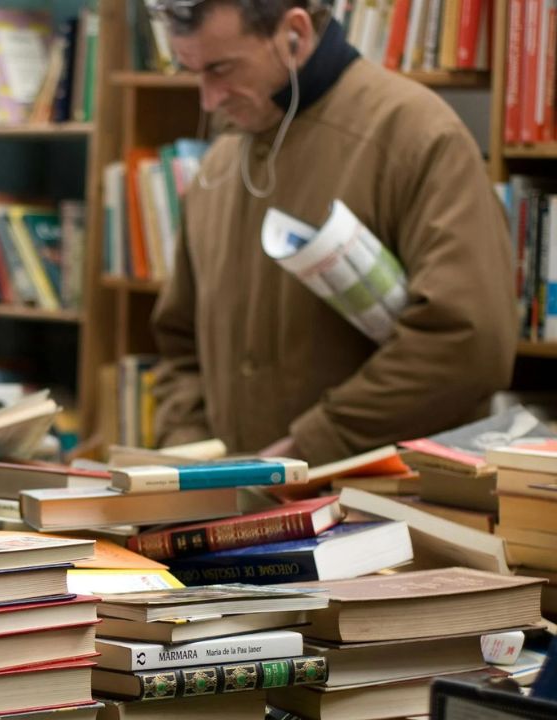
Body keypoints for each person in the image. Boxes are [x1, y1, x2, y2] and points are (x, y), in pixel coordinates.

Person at [149, 0, 516, 464]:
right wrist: (187, 452)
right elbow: (179, 345)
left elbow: (467, 343)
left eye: (221, 68)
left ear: (294, 33)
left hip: (381, 510)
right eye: (193, 71)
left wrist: (317, 443)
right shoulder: (219, 165)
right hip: (231, 507)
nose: (209, 99)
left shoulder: (417, 137)